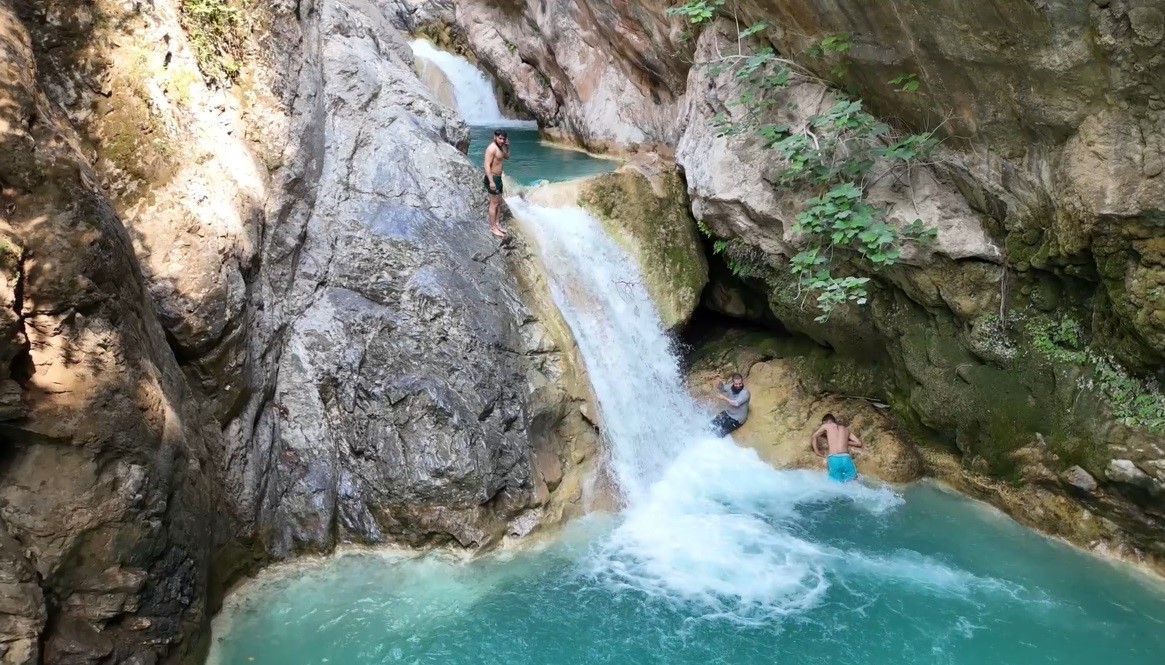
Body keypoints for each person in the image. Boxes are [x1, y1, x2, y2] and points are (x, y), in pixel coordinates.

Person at [810, 413, 863, 482]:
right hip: (846, 458)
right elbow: (859, 443)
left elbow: (814, 436)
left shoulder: (826, 426)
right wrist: (844, 441)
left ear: (827, 421)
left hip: (834, 458)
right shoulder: (845, 429)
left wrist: (817, 452)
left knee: (836, 484)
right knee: (853, 482)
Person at [483, 128, 510, 238]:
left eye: (503, 139)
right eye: (500, 138)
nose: (502, 141)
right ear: (495, 137)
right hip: (493, 178)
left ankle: (497, 224)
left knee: (498, 202)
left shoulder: (500, 147)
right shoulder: (491, 148)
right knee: (493, 203)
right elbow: (486, 165)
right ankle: (493, 227)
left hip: (498, 178)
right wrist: (491, 181)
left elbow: (507, 157)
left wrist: (507, 146)